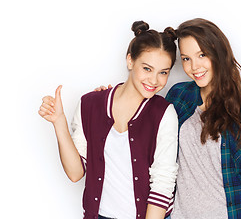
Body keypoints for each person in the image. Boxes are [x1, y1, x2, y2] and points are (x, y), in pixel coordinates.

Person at [96, 18, 241, 219]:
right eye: (186, 59)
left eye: (202, 55)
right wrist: (113, 98)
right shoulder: (178, 96)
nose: (194, 67)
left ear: (218, 53)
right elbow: (143, 123)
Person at [38, 21, 179, 219]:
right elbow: (75, 173)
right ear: (130, 61)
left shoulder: (164, 113)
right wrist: (59, 122)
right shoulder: (90, 104)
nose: (154, 80)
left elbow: (163, 182)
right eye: (147, 68)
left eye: (163, 72)